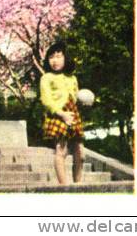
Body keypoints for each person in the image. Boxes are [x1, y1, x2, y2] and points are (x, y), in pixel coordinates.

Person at [40, 41, 84, 184]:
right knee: (61, 150)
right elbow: (46, 100)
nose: (55, 60)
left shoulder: (73, 78)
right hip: (58, 115)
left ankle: (78, 184)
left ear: (66, 58)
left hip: (73, 114)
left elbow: (76, 97)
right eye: (51, 57)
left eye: (58, 56)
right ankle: (64, 186)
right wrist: (61, 114)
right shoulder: (46, 77)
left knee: (80, 153)